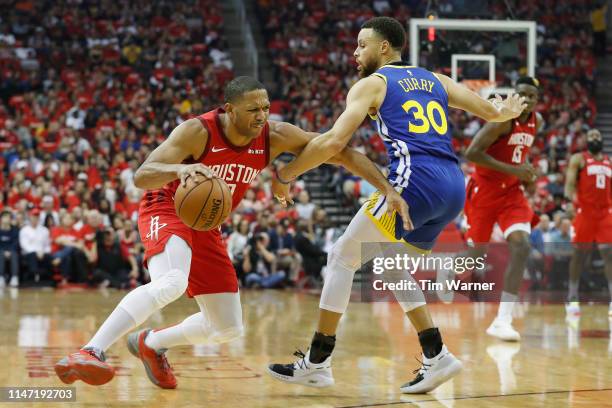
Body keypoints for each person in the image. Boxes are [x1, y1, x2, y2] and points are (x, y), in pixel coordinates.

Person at [54, 76, 409, 388]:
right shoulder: (198, 130)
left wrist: (387, 189)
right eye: (253, 109)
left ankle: (152, 343)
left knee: (227, 327)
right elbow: (142, 175)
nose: (261, 115)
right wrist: (182, 171)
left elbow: (339, 150)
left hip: (208, 223)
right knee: (172, 282)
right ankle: (91, 350)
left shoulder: (275, 135)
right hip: (167, 205)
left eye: (266, 107)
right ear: (228, 109)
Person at [268, 17, 525, 393]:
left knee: (341, 257)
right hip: (453, 187)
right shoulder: (435, 79)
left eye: (361, 45)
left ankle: (317, 362)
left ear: (384, 47)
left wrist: (286, 174)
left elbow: (334, 143)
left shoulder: (373, 84)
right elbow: (491, 113)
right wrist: (509, 110)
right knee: (389, 268)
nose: (355, 53)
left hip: (414, 183)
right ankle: (437, 355)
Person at [461, 77, 542, 341]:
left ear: (537, 100)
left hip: (511, 193)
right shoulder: (502, 120)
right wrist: (513, 169)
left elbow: (519, 152)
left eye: (531, 96)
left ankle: (503, 319)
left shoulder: (536, 122)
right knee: (476, 256)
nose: (526, 100)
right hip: (484, 191)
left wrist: (526, 172)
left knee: (522, 246)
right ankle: (450, 271)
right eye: (522, 95)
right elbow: (471, 153)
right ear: (513, 96)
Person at [564, 129, 612, 317]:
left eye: (597, 136)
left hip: (605, 213)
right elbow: (569, 182)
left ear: (601, 140)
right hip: (585, 212)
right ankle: (572, 296)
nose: (594, 138)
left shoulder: (609, 161)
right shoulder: (579, 158)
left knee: (609, 254)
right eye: (591, 136)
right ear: (586, 141)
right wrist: (568, 201)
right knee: (579, 254)